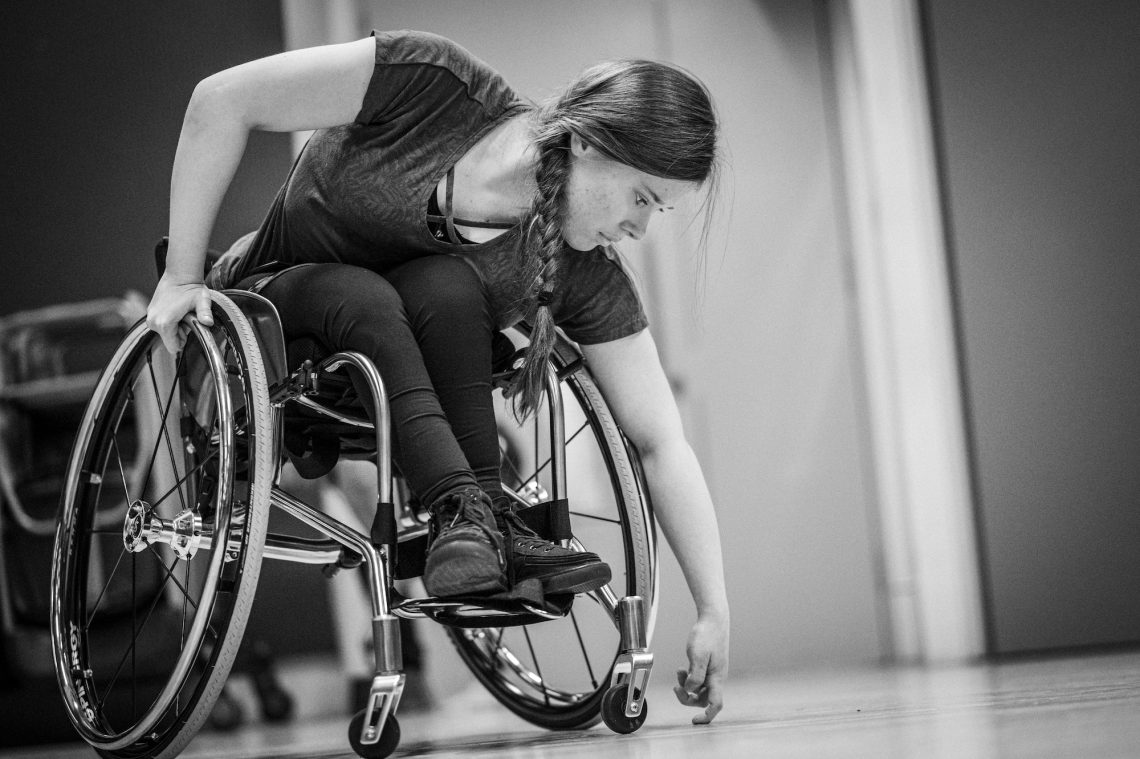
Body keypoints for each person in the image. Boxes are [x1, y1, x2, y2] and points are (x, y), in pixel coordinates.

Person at [146, 30, 729, 724]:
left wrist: (714, 606)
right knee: (369, 297)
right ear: (588, 142)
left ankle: (475, 519)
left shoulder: (580, 267)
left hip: (403, 374)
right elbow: (220, 100)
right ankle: (470, 510)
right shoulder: (434, 84)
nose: (642, 227)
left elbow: (661, 440)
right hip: (281, 314)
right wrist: (180, 277)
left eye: (658, 211)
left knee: (450, 287)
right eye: (643, 197)